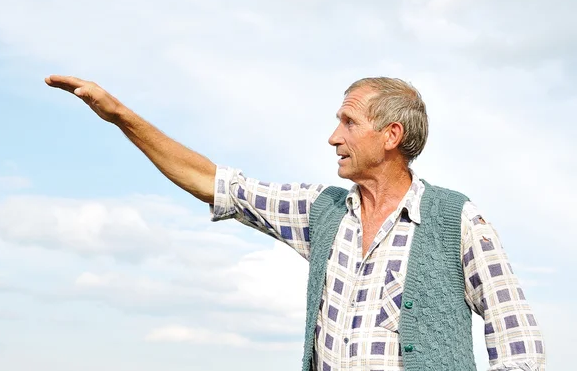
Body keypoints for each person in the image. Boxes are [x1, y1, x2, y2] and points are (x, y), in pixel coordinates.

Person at [45, 75, 546, 371]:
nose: (333, 136)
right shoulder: (321, 211)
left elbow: (519, 344)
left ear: (391, 135)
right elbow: (213, 182)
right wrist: (118, 116)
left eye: (348, 122)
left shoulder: (455, 219)